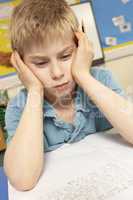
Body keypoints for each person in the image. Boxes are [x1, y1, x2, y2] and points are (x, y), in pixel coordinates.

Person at [3, 0, 133, 191]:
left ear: (81, 48)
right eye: (40, 63)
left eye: (65, 56)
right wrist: (35, 91)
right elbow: (22, 179)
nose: (57, 73)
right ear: (21, 65)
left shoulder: (101, 80)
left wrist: (83, 75)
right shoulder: (20, 107)